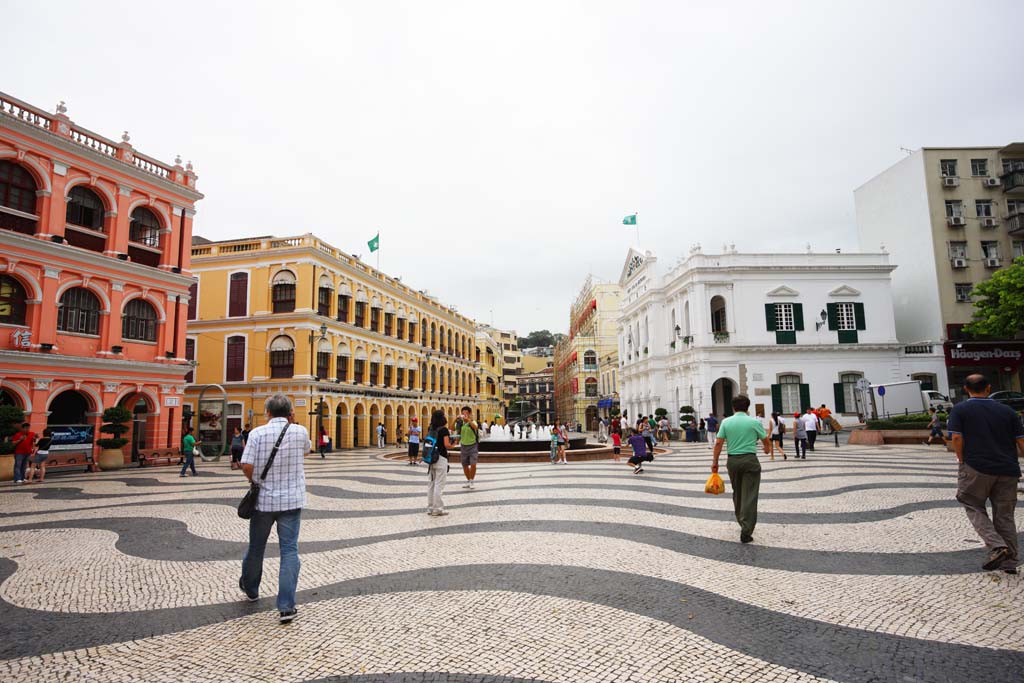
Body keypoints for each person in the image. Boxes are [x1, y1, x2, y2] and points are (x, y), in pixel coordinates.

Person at [239, 393, 311, 624]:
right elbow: (306, 450)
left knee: (256, 547)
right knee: (289, 551)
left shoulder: (257, 433)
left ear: (267, 412)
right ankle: (286, 606)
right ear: (290, 412)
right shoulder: (300, 431)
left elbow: (246, 464)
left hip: (263, 503)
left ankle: (251, 589)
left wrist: (255, 481)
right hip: (291, 501)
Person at [947, 374, 1024, 574]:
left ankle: (997, 545)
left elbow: (956, 438)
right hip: (1008, 470)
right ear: (988, 388)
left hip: (976, 467)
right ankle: (1010, 563)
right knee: (1005, 516)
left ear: (965, 389)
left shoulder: (960, 409)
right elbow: (1021, 442)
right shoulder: (1008, 411)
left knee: (971, 503)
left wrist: (961, 459)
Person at [712, 394, 771, 543]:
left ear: (733, 407)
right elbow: (765, 439)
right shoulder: (753, 422)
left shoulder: (726, 422)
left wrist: (715, 462)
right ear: (748, 407)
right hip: (750, 460)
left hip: (733, 461)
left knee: (737, 492)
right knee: (750, 494)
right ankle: (746, 529)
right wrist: (766, 448)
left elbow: (718, 443)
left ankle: (741, 520)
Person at [426, 409, 454, 516]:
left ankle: (430, 507)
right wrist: (453, 445)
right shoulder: (444, 430)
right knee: (439, 484)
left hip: (431, 458)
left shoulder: (430, 428)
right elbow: (446, 445)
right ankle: (437, 509)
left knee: (431, 484)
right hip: (441, 458)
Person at [458, 406, 480, 490]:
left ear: (470, 414)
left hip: (473, 445)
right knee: (465, 465)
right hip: (463, 446)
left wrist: (469, 421)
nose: (464, 414)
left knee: (473, 464)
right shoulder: (460, 423)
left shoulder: (473, 421)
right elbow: (452, 428)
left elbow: (475, 427)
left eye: (466, 413)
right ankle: (468, 480)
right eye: (463, 413)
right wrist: (455, 420)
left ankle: (471, 481)